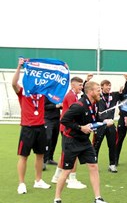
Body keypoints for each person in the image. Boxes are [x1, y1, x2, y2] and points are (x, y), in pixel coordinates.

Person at [53, 81, 113, 203]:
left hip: (84, 142)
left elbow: (94, 119)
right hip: (71, 141)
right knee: (67, 171)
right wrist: (81, 128)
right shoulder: (78, 106)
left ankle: (98, 198)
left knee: (93, 166)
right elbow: (64, 120)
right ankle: (57, 199)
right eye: (98, 90)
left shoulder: (95, 104)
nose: (100, 92)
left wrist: (104, 122)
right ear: (90, 92)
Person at [12, 57, 51, 194]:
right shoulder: (23, 91)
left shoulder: (42, 93)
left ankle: (38, 180)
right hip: (27, 128)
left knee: (40, 155)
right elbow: (13, 83)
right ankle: (21, 183)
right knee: (24, 156)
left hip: (41, 127)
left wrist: (62, 68)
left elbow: (54, 83)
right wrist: (19, 67)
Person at [51, 76, 88, 189]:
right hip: (68, 129)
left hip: (66, 128)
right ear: (73, 85)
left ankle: (57, 176)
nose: (81, 87)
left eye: (82, 85)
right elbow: (74, 114)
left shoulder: (73, 95)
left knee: (65, 153)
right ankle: (72, 179)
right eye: (80, 85)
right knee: (73, 153)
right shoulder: (71, 96)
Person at [93, 75, 127, 173]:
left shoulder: (113, 95)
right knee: (96, 145)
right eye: (107, 86)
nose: (109, 87)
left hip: (111, 124)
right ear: (102, 87)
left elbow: (125, 93)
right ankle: (94, 165)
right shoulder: (97, 96)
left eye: (110, 86)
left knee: (112, 145)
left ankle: (112, 164)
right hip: (100, 124)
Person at [43, 97, 61, 170]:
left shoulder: (58, 95)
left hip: (56, 119)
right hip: (47, 119)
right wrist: (55, 106)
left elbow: (60, 105)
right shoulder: (46, 94)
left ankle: (50, 158)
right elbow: (43, 106)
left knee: (54, 139)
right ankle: (43, 160)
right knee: (48, 138)